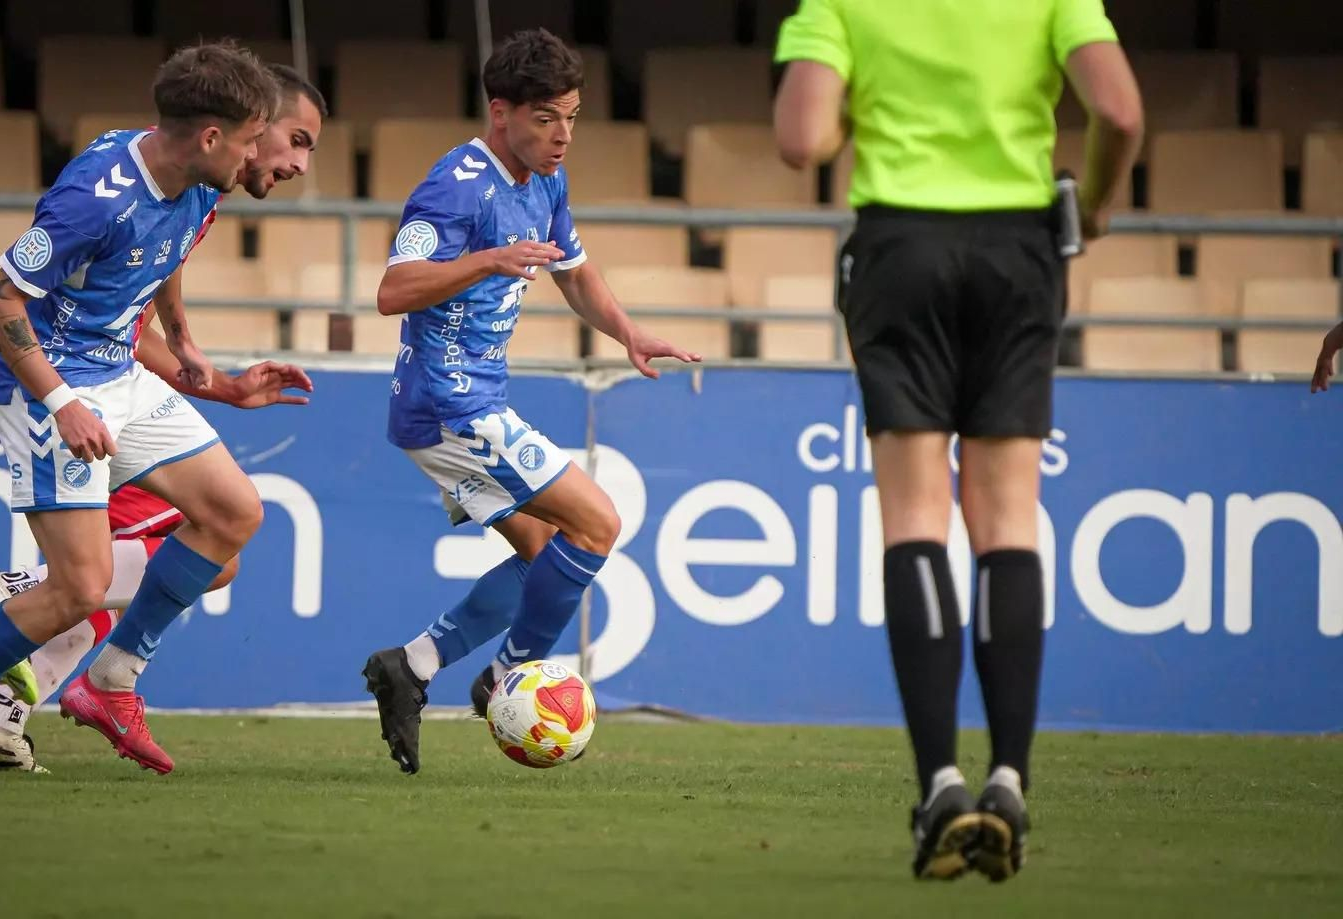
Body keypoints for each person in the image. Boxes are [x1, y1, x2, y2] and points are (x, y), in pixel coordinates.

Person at [772, 0, 1143, 880]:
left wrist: (863, 111)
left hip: (899, 246)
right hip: (1020, 251)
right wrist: (1094, 203)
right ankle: (1009, 781)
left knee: (914, 521)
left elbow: (802, 138)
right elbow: (1121, 111)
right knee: (1008, 521)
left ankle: (940, 784)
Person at [0, 41, 282, 780]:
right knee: (80, 588)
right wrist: (62, 403)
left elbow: (169, 250)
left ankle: (111, 679)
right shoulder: (95, 198)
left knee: (233, 514)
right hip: (48, 383)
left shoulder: (201, 178)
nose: (260, 153)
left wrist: (182, 339)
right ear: (210, 136)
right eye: (253, 139)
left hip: (120, 369)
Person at [360, 28, 700, 776]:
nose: (563, 135)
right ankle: (508, 677)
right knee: (597, 522)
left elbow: (574, 271)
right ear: (501, 111)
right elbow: (393, 289)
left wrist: (628, 332)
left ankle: (410, 666)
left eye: (571, 117)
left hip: (474, 400)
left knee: (546, 552)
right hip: (449, 405)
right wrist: (489, 259)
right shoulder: (456, 185)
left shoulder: (546, 180)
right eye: (546, 118)